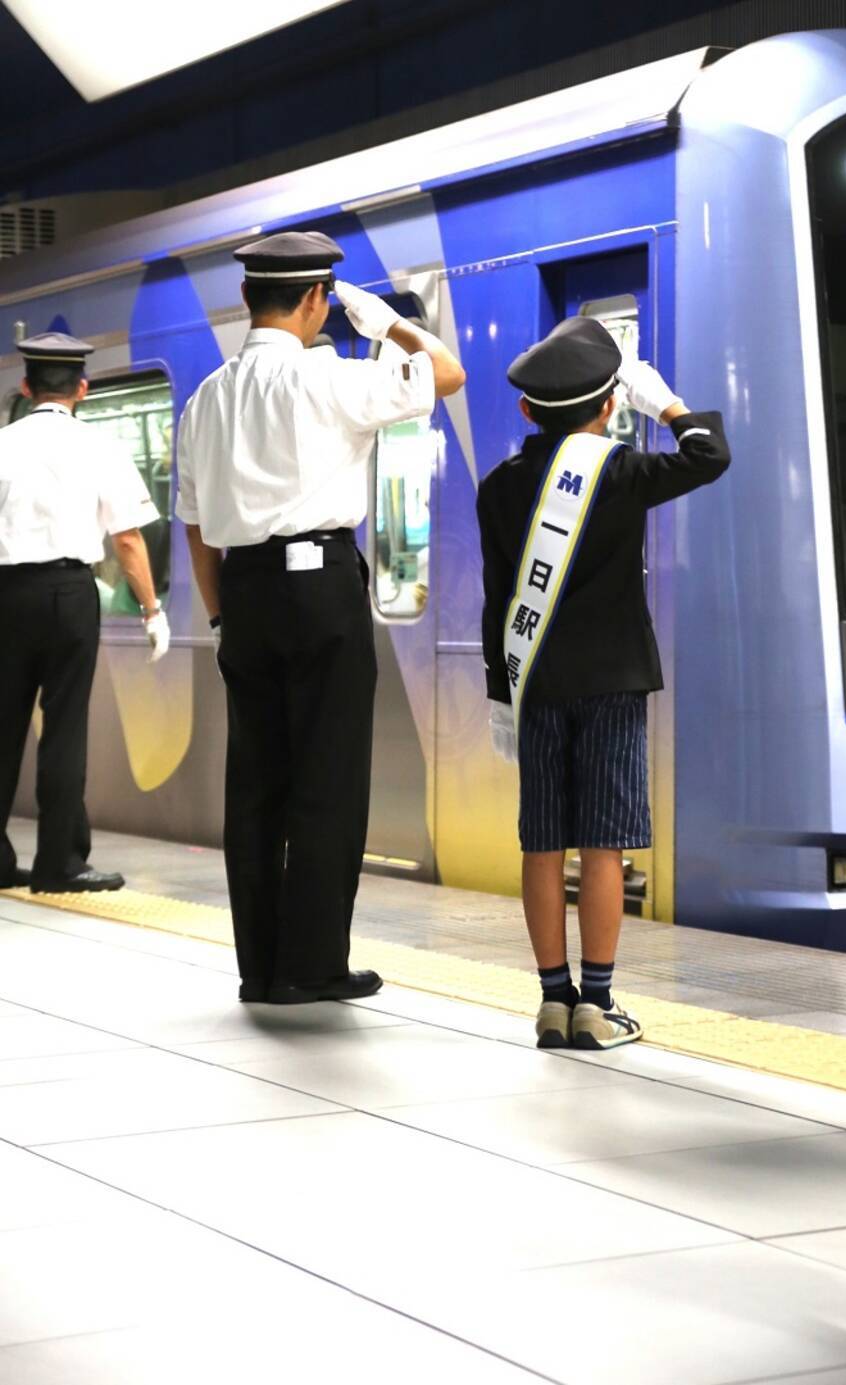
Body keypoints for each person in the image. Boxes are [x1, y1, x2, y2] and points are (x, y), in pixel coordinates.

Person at [176, 231, 465, 1004]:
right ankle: (312, 964)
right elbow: (447, 372)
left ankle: (260, 967)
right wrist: (389, 326)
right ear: (315, 300)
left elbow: (196, 527)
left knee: (256, 785)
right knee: (328, 780)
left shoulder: (204, 398)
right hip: (320, 590)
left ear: (245, 299)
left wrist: (219, 617)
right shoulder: (328, 378)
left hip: (245, 597)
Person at [477, 316, 730, 1049]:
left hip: (538, 683)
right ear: (610, 406)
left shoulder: (499, 489)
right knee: (603, 846)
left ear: (527, 411)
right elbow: (709, 456)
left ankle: (552, 1003)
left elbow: (498, 599)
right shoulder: (619, 472)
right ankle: (598, 1003)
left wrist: (501, 688)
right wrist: (670, 406)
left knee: (543, 842)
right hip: (614, 680)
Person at [0, 332, 168, 893]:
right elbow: (127, 541)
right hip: (71, 594)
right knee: (64, 728)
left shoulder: (2, 443)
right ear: (83, 388)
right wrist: (151, 610)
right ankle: (60, 864)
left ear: (26, 388)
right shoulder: (102, 447)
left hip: (6, 595)